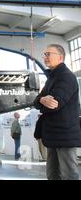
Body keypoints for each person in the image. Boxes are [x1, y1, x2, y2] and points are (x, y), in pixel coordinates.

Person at [33, 44, 81, 180]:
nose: (45, 57)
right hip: (54, 135)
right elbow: (36, 101)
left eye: (49, 54)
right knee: (53, 175)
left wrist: (40, 101)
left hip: (64, 135)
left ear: (60, 57)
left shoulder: (66, 77)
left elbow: (54, 104)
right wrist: (42, 99)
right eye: (45, 54)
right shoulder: (52, 78)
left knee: (69, 175)